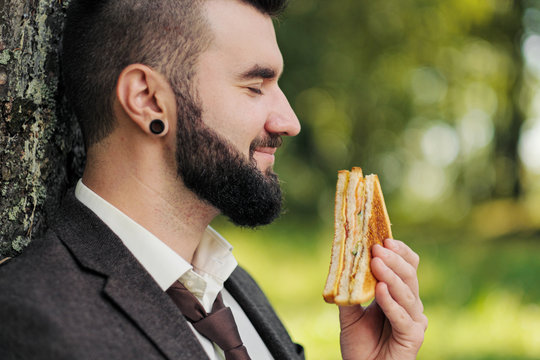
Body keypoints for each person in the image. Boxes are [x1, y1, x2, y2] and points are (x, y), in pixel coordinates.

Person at [0, 0, 427, 359]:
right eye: (255, 86)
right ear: (148, 100)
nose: (290, 122)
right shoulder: (30, 320)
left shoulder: (237, 290)